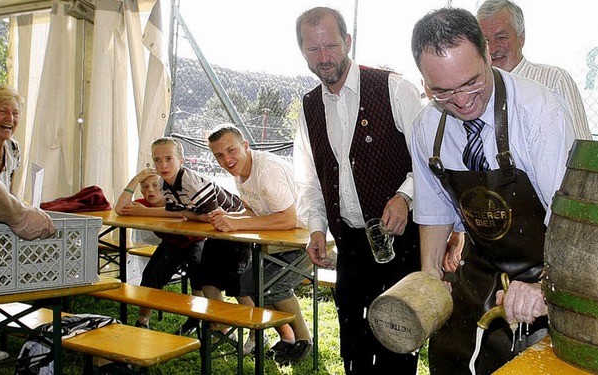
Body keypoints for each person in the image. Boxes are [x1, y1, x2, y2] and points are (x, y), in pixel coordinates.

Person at [410, 7, 575, 374]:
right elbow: (435, 211)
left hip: (547, 278)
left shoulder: (539, 114)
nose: (462, 101)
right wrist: (429, 279)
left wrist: (544, 287)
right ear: (424, 83)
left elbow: (569, 225)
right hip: (478, 275)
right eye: (442, 91)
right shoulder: (426, 127)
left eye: (471, 82)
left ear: (487, 53)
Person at [293, 7, 423, 375]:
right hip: (349, 243)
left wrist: (405, 196)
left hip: (401, 240)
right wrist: (317, 227)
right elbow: (309, 178)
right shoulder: (308, 108)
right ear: (302, 51)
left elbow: (430, 160)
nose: (324, 58)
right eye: (312, 50)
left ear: (348, 42)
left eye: (331, 46)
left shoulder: (393, 88)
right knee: (353, 338)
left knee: (397, 339)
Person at [207, 123, 313, 363]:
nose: (226, 159)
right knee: (246, 284)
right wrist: (229, 217)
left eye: (231, 150)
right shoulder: (240, 172)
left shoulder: (267, 172)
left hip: (307, 240)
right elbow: (256, 213)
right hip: (279, 240)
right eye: (219, 156)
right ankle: (287, 339)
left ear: (245, 146)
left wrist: (237, 224)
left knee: (269, 285)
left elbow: (288, 218)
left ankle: (304, 340)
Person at [0, 85, 55, 374]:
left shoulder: (13, 148)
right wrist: (20, 216)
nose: (10, 118)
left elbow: (11, 192)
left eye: (15, 112)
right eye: (3, 111)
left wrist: (21, 210)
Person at [149, 136, 251, 337]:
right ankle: (222, 327)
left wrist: (194, 216)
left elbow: (214, 217)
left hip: (238, 232)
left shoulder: (189, 181)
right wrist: (195, 216)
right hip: (216, 235)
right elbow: (184, 214)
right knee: (207, 282)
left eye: (169, 158)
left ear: (181, 160)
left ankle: (257, 333)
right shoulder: (164, 185)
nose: (163, 164)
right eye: (157, 160)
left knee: (238, 287)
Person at [477, 0, 592, 140]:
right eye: (485, 40)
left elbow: (580, 146)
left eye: (501, 38)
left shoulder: (553, 80)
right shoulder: (473, 89)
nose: (493, 48)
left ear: (521, 38)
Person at [115, 169, 205, 333]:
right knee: (150, 275)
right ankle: (143, 321)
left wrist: (145, 212)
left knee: (198, 271)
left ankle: (196, 318)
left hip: (195, 240)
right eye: (145, 186)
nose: (150, 190)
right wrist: (135, 180)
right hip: (171, 243)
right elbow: (120, 208)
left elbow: (181, 213)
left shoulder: (175, 198)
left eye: (155, 185)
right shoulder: (144, 203)